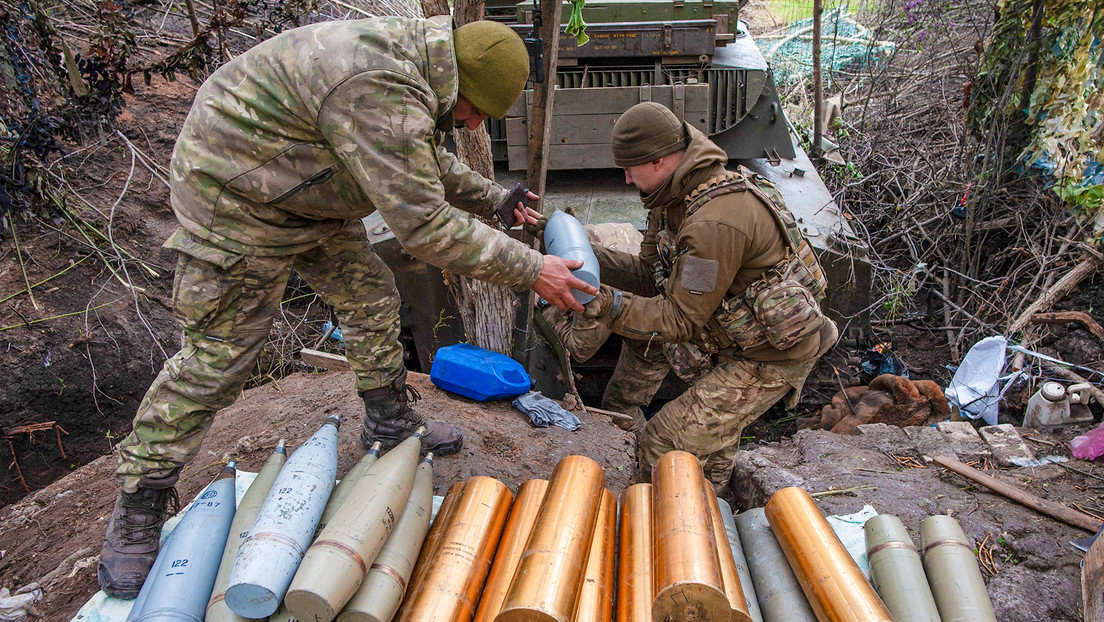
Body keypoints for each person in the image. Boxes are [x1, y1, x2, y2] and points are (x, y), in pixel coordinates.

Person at [97, 16, 596, 598]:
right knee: (221, 354)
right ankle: (140, 499)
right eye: (476, 110)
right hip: (234, 197)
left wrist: (496, 199)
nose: (475, 124)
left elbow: (421, 160)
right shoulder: (379, 85)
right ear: (457, 82)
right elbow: (425, 227)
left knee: (370, 297)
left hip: (308, 188)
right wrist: (533, 269)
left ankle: (388, 423)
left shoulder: (420, 73)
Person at [581, 102, 838, 493]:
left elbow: (680, 320)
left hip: (768, 358)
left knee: (663, 442)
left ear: (660, 160)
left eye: (630, 167)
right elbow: (649, 278)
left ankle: (670, 528)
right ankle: (713, 509)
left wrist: (602, 303)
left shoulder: (713, 224)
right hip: (733, 343)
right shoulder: (673, 200)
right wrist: (577, 251)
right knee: (712, 441)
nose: (627, 179)